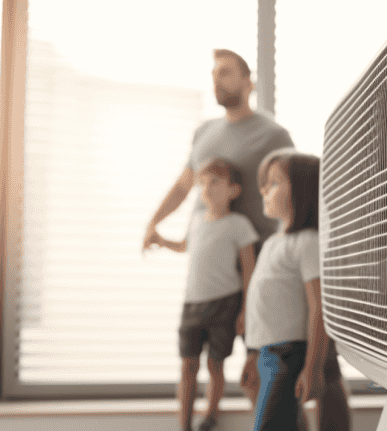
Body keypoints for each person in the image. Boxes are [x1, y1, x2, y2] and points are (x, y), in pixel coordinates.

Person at [142, 48, 294, 431]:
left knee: (257, 361)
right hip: (208, 270)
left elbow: (294, 189)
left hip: (255, 260)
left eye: (226, 72)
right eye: (213, 73)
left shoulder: (272, 133)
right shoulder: (204, 132)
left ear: (249, 82)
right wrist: (153, 223)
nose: (217, 79)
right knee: (200, 359)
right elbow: (183, 185)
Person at [244, 149, 350, 431]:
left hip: (289, 354)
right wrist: (254, 355)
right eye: (264, 182)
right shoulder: (271, 244)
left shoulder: (307, 243)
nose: (264, 189)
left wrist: (313, 367)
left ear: (303, 191)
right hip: (268, 352)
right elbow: (263, 307)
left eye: (275, 182)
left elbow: (319, 306)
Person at [148, 159, 258, 431]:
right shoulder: (196, 220)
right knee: (188, 365)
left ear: (233, 190)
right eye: (202, 183)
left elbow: (249, 271)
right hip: (192, 304)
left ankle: (211, 414)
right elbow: (186, 246)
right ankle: (184, 423)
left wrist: (246, 310)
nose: (205, 189)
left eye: (214, 182)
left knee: (215, 363)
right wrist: (162, 241)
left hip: (224, 303)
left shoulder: (239, 224)